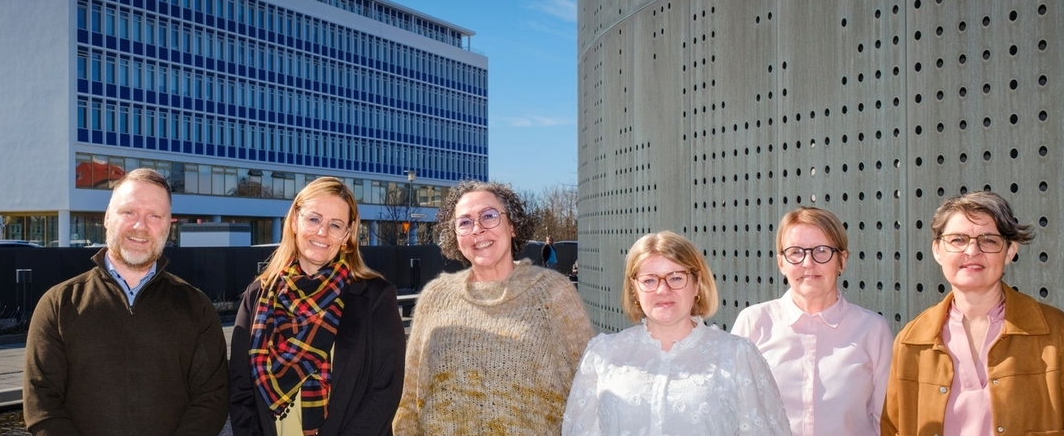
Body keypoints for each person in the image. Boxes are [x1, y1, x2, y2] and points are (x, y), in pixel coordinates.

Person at [882, 192, 1064, 435]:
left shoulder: (1060, 335)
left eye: (988, 240)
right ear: (937, 250)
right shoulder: (911, 341)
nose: (972, 250)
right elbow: (893, 429)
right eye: (958, 240)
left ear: (1010, 251)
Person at [23, 168, 228, 435]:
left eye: (154, 215)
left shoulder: (196, 307)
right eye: (129, 212)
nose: (140, 226)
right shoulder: (59, 304)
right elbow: (42, 406)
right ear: (108, 217)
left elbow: (212, 400)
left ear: (168, 225)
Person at [393, 181, 593, 436]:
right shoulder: (436, 297)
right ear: (454, 235)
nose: (477, 229)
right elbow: (409, 396)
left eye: (488, 216)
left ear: (512, 226)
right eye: (464, 222)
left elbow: (586, 390)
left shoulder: (553, 293)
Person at [564, 231, 790, 436]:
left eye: (675, 278)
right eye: (649, 280)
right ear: (634, 288)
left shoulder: (737, 355)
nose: (663, 290)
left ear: (696, 283)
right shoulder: (603, 355)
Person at [229, 177, 406, 436]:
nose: (322, 232)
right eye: (313, 219)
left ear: (347, 235)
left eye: (335, 225)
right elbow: (241, 390)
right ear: (294, 222)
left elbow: (385, 390)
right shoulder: (258, 295)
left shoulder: (375, 297)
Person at [731, 207, 893, 436]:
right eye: (796, 252)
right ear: (781, 263)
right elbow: (732, 413)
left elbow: (885, 423)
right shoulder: (754, 323)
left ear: (842, 260)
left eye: (821, 251)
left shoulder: (873, 330)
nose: (808, 262)